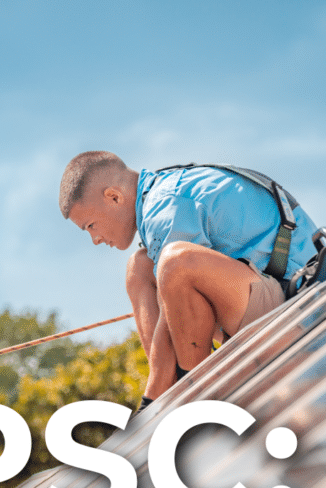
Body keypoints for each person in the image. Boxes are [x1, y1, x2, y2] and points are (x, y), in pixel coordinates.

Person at [58, 151, 319, 408]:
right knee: (140, 267)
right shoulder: (161, 191)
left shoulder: (163, 204)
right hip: (260, 292)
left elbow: (171, 311)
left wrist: (150, 401)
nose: (95, 239)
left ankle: (195, 397)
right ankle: (175, 385)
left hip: (300, 304)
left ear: (114, 197)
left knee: (175, 263)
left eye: (91, 225)